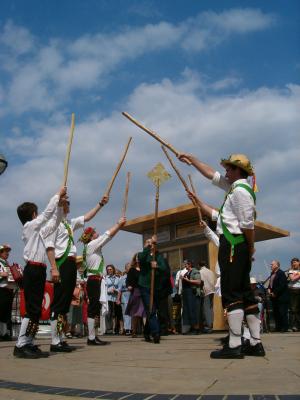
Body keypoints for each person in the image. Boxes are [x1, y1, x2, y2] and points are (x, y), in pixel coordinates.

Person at [180, 152, 264, 358]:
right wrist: (193, 160)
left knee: (232, 292)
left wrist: (250, 247)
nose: (225, 171)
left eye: (229, 168)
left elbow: (247, 224)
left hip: (235, 245)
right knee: (245, 293)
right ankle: (255, 343)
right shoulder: (235, 188)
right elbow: (213, 176)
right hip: (237, 244)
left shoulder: (241, 191)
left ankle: (235, 344)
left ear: (238, 171)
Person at [45, 194, 109, 353]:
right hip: (62, 262)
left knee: (64, 303)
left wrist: (100, 204)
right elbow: (50, 248)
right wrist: (53, 268)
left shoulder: (69, 223)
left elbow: (87, 217)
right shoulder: (53, 224)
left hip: (71, 264)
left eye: (67, 203)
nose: (68, 205)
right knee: (59, 303)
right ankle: (54, 340)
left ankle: (60, 338)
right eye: (65, 203)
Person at [14, 186, 67, 358]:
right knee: (33, 308)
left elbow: (54, 222)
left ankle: (28, 341)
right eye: (37, 213)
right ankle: (21, 344)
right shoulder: (30, 227)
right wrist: (57, 195)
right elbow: (46, 215)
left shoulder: (39, 232)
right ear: (33, 215)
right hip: (33, 269)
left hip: (40, 270)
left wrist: (59, 206)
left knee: (36, 310)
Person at [79, 216, 126, 345]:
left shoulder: (93, 246)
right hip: (94, 280)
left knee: (96, 308)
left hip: (96, 280)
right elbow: (107, 235)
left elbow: (107, 237)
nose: (96, 232)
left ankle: (93, 336)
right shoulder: (92, 244)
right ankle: (91, 337)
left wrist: (119, 227)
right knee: (93, 307)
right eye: (94, 232)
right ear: (91, 236)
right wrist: (118, 224)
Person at [138, 236, 168, 343]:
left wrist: (157, 266)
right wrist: (147, 248)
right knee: (151, 310)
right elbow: (141, 260)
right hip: (145, 286)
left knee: (152, 310)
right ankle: (156, 333)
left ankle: (146, 332)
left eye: (152, 243)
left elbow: (164, 268)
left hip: (156, 287)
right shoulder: (142, 254)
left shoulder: (158, 255)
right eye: (148, 242)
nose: (150, 244)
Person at [125, 254, 146, 337]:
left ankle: (146, 330)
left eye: (139, 257)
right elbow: (128, 281)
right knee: (135, 312)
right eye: (137, 257)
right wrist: (129, 286)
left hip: (144, 291)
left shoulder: (145, 269)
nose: (138, 259)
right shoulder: (132, 270)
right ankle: (134, 331)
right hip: (136, 291)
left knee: (145, 311)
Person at [181, 260, 202, 334]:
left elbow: (199, 281)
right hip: (187, 294)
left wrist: (189, 280)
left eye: (186, 264)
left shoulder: (195, 271)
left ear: (190, 264)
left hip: (193, 294)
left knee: (194, 311)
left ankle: (196, 329)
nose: (184, 265)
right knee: (188, 311)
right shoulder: (187, 272)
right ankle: (191, 328)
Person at [268, 260, 289, 332]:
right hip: (274, 297)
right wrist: (269, 289)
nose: (271, 265)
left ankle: (284, 327)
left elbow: (282, 285)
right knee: (276, 312)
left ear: (277, 265)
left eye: (272, 264)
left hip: (281, 297)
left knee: (282, 312)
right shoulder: (272, 273)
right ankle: (278, 327)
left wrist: (274, 292)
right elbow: (271, 283)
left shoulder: (281, 273)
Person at [0, 244, 14, 340]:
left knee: (6, 313)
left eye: (8, 252)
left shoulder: (6, 263)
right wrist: (3, 274)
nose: (7, 253)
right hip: (1, 289)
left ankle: (4, 333)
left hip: (8, 290)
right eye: (5, 251)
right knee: (1, 312)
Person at [198, 260, 216, 333]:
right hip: (212, 291)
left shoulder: (200, 272)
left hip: (206, 291)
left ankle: (208, 327)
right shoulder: (210, 271)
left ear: (199, 265)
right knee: (210, 308)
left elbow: (201, 282)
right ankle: (211, 324)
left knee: (206, 309)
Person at [105, 264, 123, 334]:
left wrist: (116, 290)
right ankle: (108, 329)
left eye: (110, 269)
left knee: (116, 314)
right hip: (108, 297)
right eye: (108, 269)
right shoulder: (105, 278)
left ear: (113, 270)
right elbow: (103, 289)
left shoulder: (117, 279)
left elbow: (120, 288)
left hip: (115, 298)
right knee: (108, 314)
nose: (109, 271)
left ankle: (116, 329)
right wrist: (108, 291)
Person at [117, 263, 132, 335]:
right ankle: (127, 329)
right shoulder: (122, 278)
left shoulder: (134, 277)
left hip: (133, 295)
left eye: (130, 267)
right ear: (125, 269)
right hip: (125, 295)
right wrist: (118, 299)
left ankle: (134, 328)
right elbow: (119, 290)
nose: (129, 268)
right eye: (128, 267)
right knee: (126, 313)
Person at [287, 257, 300, 331]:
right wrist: (298, 275)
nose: (294, 263)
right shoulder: (291, 270)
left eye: (295, 262)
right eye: (293, 262)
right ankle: (293, 326)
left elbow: (294, 278)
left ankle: (297, 325)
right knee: (293, 308)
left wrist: (296, 275)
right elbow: (292, 279)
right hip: (293, 290)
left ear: (299, 262)